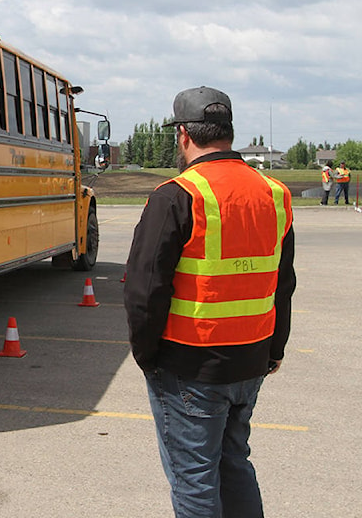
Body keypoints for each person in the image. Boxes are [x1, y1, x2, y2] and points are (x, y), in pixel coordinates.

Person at [124, 86, 296, 518]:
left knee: (195, 480)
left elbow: (144, 290)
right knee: (235, 464)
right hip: (252, 358)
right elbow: (283, 281)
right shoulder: (274, 193)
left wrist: (147, 356)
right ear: (228, 132)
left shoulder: (177, 195)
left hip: (190, 365)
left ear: (183, 134)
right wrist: (274, 349)